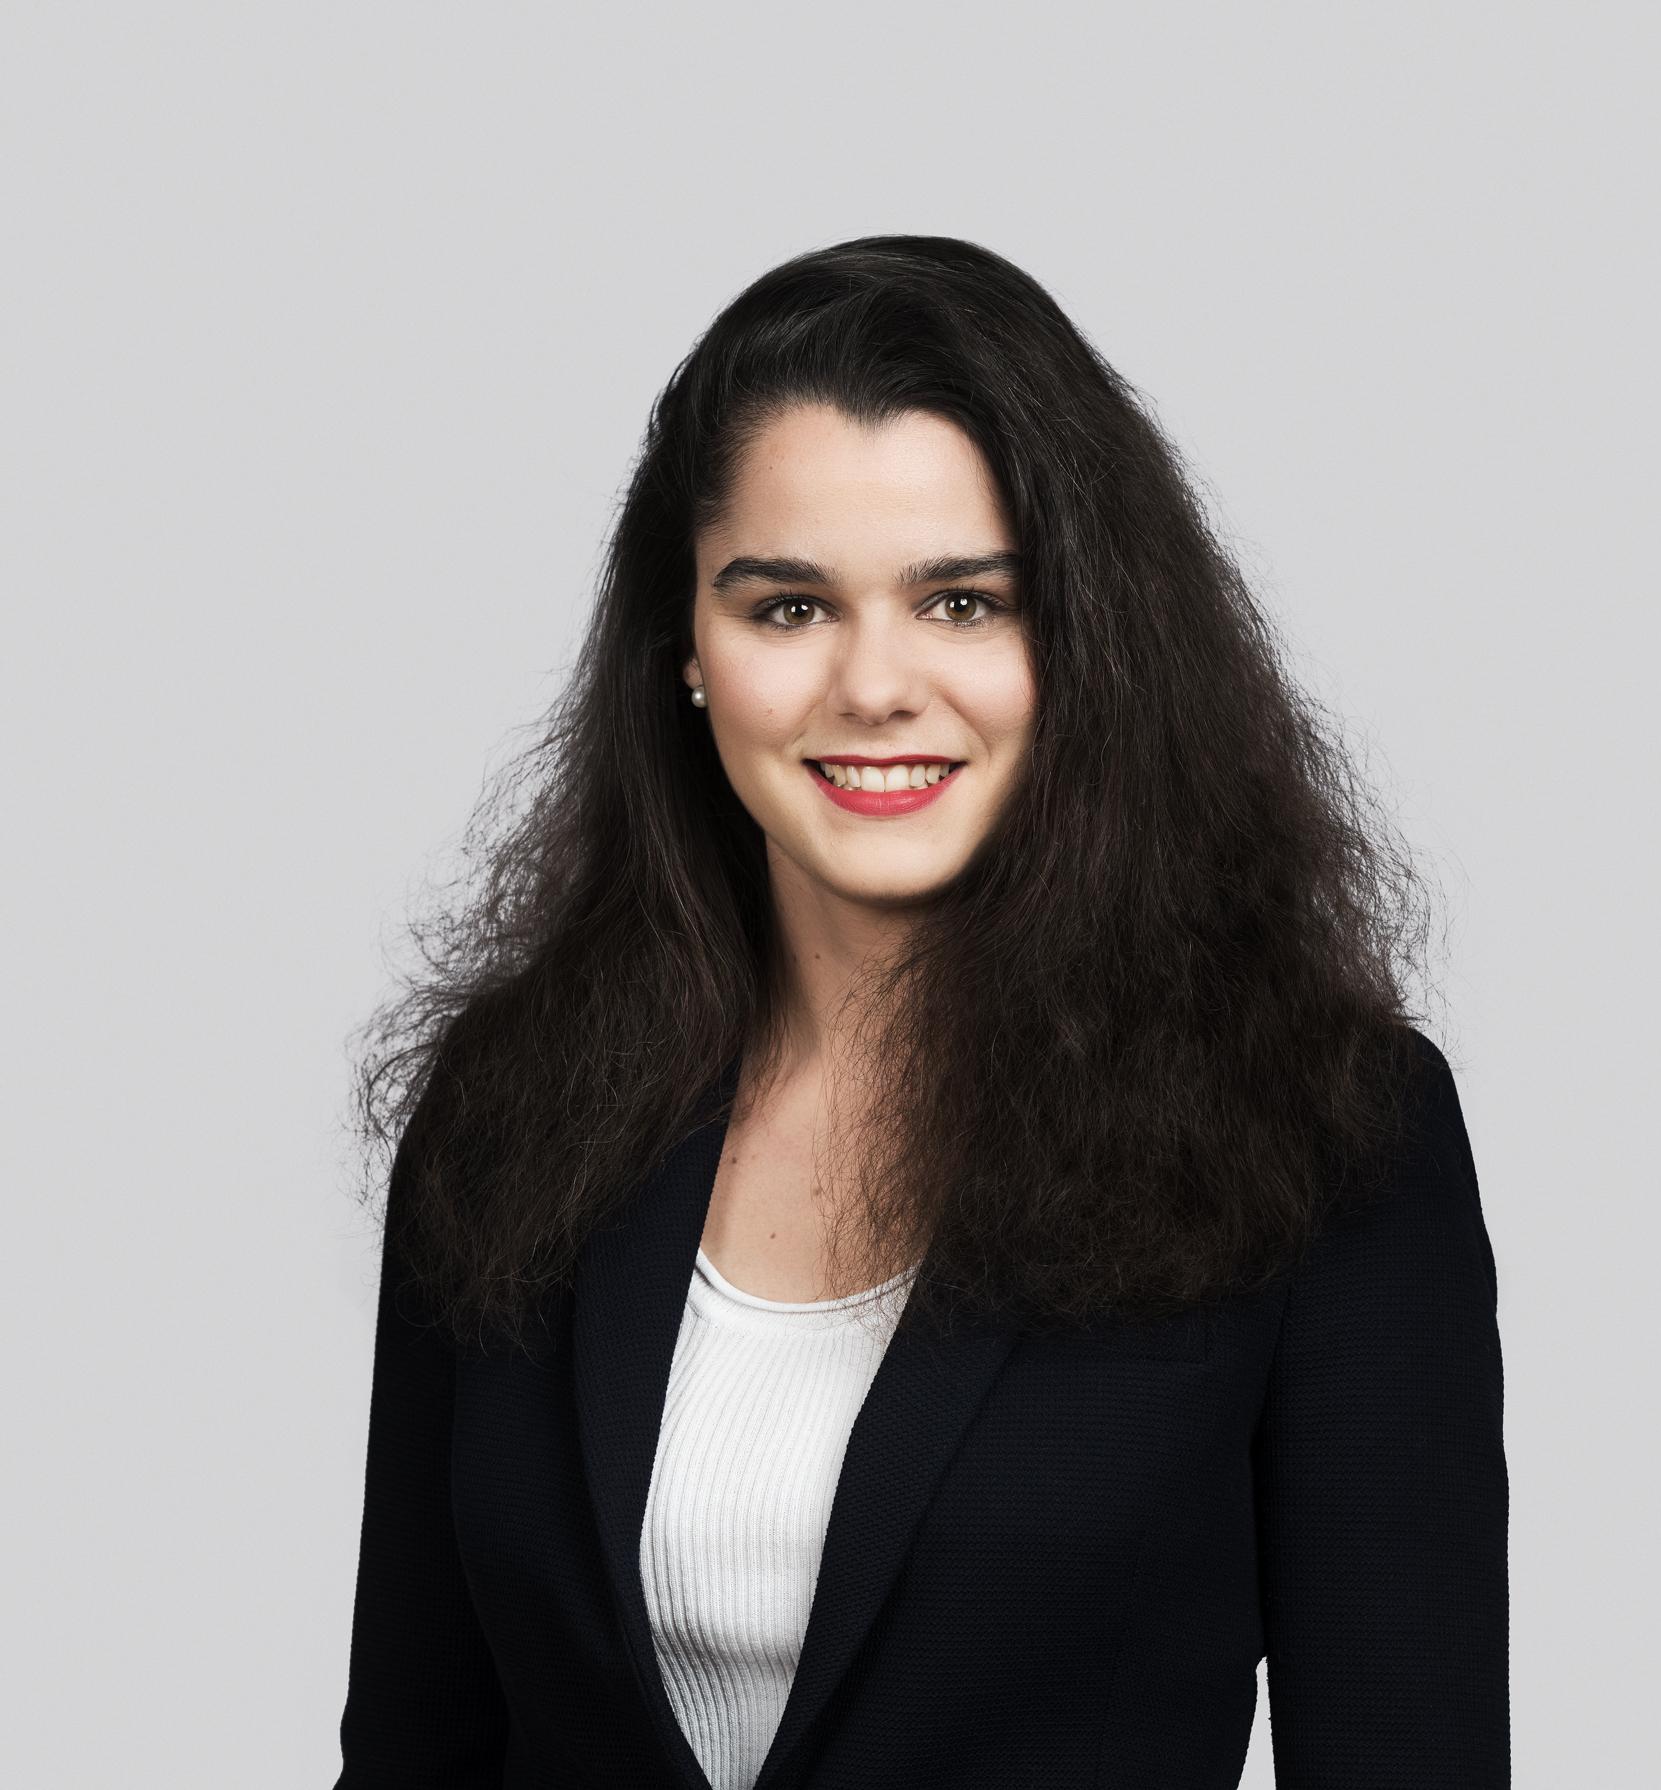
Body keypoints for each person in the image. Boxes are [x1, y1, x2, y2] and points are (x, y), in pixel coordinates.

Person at [332, 234, 1508, 1789]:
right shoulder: (509, 1115)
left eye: (961, 602)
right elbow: (414, 1754)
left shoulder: (1327, 1135)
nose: (875, 685)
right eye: (787, 608)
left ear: (1083, 639)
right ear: (685, 652)